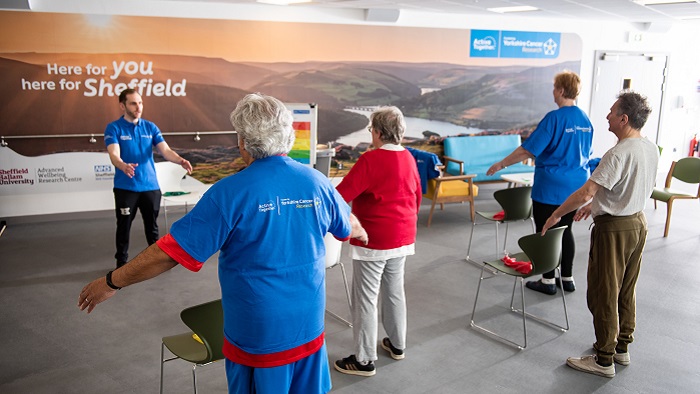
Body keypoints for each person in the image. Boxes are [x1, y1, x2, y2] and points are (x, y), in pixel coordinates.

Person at [80, 93, 368, 393]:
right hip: (309, 328)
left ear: (243, 140)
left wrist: (112, 281)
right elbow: (348, 225)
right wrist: (362, 233)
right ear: (287, 133)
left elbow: (168, 253)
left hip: (259, 339)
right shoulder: (316, 182)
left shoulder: (229, 194)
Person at [541, 91, 658, 378]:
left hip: (614, 231)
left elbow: (585, 191)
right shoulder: (650, 148)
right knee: (625, 289)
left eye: (611, 111)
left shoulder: (618, 153)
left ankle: (603, 359)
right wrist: (597, 205)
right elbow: (630, 186)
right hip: (637, 224)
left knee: (603, 291)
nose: (607, 116)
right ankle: (621, 347)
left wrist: (557, 214)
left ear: (624, 118)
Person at [486, 70, 593, 295]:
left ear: (561, 90)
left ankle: (547, 281)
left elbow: (528, 149)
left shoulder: (553, 119)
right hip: (576, 186)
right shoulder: (585, 119)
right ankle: (568, 278)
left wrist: (501, 164)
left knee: (545, 231)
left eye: (555, 88)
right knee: (566, 230)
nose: (553, 92)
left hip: (550, 188)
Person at [333, 106, 421, 377]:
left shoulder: (371, 160)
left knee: (366, 299)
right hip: (403, 236)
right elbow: (416, 197)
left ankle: (363, 360)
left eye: (372, 129)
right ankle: (397, 345)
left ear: (379, 132)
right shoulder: (409, 158)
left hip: (374, 239)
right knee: (395, 292)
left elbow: (340, 195)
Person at [105, 88, 193, 269]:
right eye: (133, 103)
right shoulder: (114, 128)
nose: (138, 107)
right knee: (123, 227)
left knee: (152, 227)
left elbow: (166, 151)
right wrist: (122, 165)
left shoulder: (150, 127)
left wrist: (180, 160)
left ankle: (156, 261)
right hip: (125, 187)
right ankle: (121, 263)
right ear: (123, 105)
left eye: (140, 102)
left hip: (150, 187)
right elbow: (114, 154)